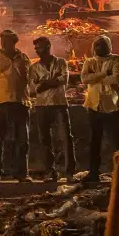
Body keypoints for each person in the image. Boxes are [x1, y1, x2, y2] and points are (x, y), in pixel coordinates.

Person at [80, 34, 119, 184]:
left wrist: (96, 77)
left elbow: (116, 79)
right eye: (97, 45)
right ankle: (94, 172)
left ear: (109, 46)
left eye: (103, 44)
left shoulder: (117, 60)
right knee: (94, 142)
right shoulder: (89, 61)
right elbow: (84, 79)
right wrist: (104, 74)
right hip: (94, 106)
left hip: (113, 106)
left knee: (118, 142)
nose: (99, 47)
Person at [0, 30, 30, 181]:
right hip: (0, 103)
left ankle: (21, 173)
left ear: (14, 42)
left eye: (7, 40)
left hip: (20, 102)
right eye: (2, 40)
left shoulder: (23, 58)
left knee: (22, 139)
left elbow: (29, 79)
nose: (4, 43)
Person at [27, 36, 75, 182]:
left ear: (48, 46)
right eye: (36, 48)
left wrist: (43, 83)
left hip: (59, 104)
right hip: (41, 106)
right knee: (44, 140)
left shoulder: (61, 62)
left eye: (39, 47)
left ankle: (69, 172)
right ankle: (50, 171)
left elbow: (64, 80)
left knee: (66, 137)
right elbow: (32, 89)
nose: (37, 50)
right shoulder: (34, 67)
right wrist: (51, 82)